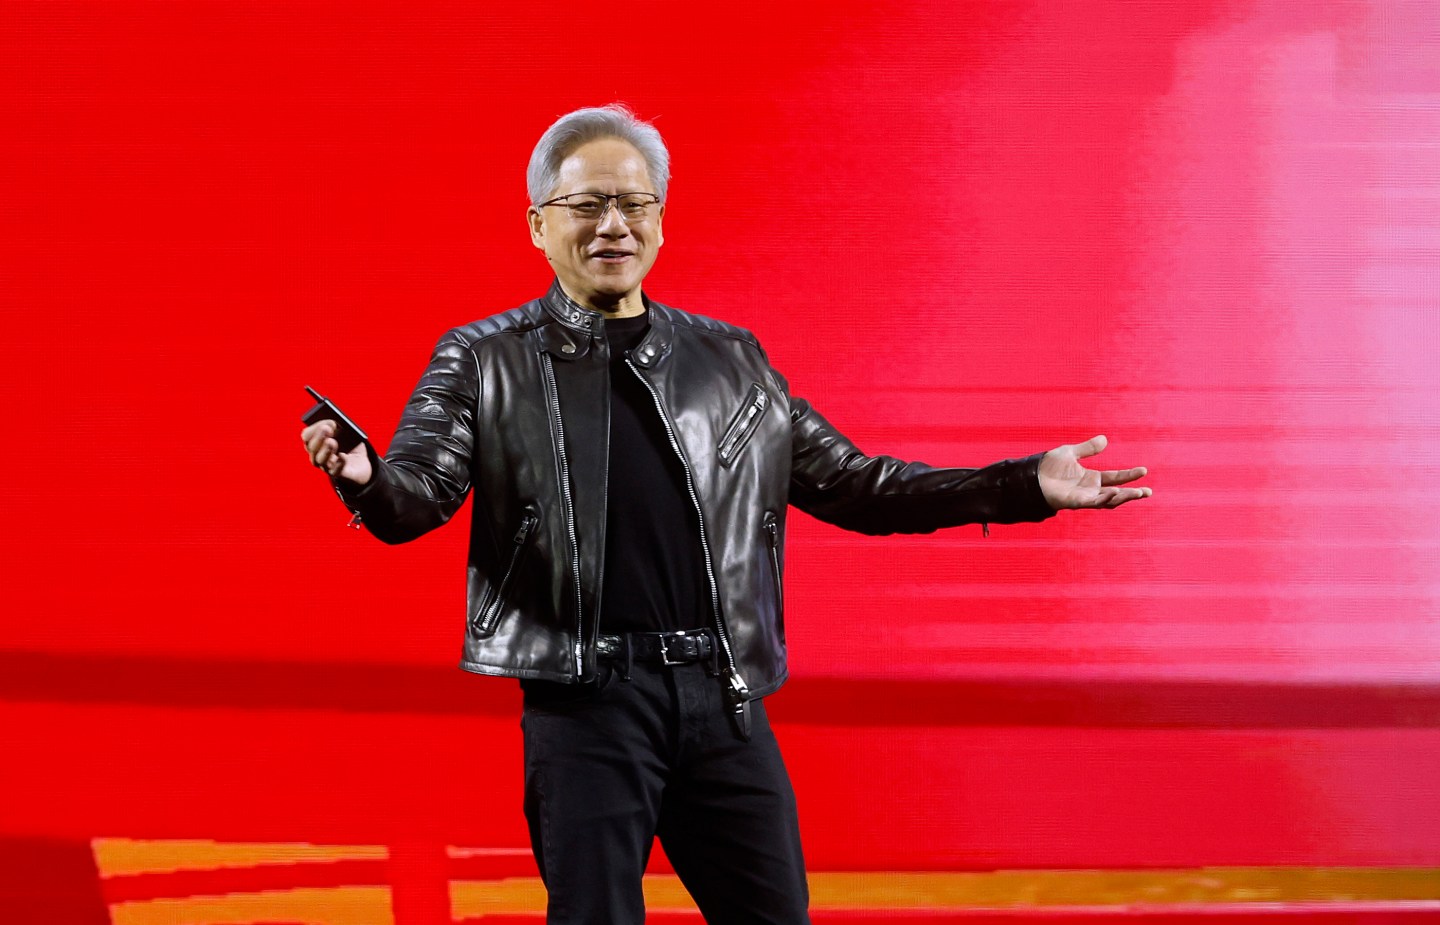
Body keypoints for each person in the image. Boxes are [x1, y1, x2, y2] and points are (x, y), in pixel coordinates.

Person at [301, 103, 1151, 924]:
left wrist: (1022, 484)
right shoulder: (485, 358)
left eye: (633, 204)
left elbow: (859, 485)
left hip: (723, 695)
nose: (613, 225)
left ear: (661, 223)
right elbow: (418, 494)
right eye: (586, 204)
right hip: (585, 700)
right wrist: (366, 474)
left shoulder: (729, 359)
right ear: (537, 224)